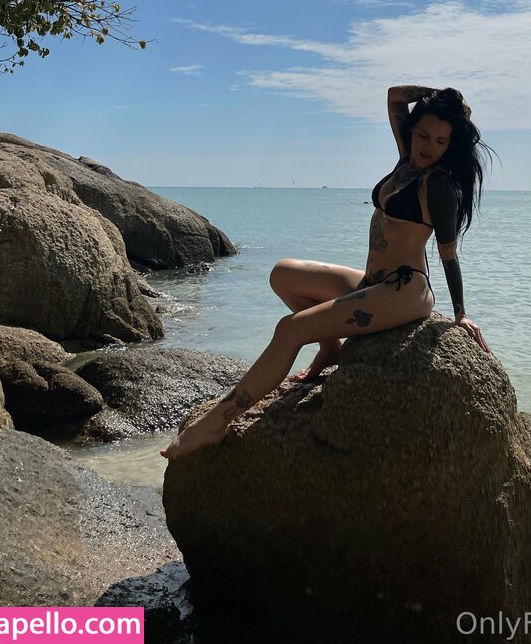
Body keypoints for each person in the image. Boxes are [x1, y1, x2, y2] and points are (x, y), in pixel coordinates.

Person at [161, 85, 493, 461]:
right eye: (422, 135)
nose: (428, 146)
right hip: (372, 282)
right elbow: (395, 96)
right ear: (413, 131)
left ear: (451, 145)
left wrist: (460, 313)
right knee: (282, 274)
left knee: (291, 329)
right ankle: (331, 349)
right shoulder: (407, 160)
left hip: (404, 291)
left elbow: (448, 254)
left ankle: (216, 422)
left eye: (440, 141)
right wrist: (446, 98)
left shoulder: (439, 185)